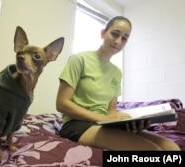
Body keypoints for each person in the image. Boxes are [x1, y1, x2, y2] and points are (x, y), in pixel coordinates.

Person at [56, 16, 180, 150]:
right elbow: (62, 103)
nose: (118, 41)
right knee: (153, 151)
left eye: (124, 38)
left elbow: (111, 111)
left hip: (103, 124)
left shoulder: (117, 72)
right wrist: (101, 118)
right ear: (103, 33)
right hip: (77, 124)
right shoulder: (79, 59)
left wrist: (128, 123)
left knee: (171, 147)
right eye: (114, 34)